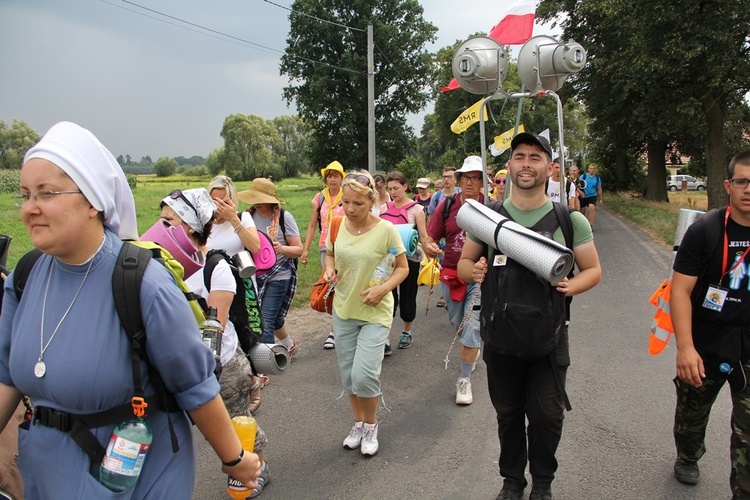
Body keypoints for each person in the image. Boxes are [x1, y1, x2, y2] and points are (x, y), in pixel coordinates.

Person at [0, 121, 260, 498]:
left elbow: (195, 387)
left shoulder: (143, 282)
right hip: (45, 477)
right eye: (25, 195)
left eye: (46, 193)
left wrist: (234, 459)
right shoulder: (23, 278)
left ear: (92, 200)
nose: (30, 209)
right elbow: (7, 375)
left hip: (134, 479)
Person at [458, 133, 601, 500]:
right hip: (501, 337)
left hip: (549, 340)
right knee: (508, 415)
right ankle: (512, 481)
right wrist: (471, 271)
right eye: (519, 156)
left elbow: (593, 270)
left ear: (550, 168)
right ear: (510, 165)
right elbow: (462, 263)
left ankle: (542, 482)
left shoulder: (569, 221)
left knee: (548, 417)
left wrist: (573, 286)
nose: (526, 163)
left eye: (535, 157)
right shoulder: (489, 217)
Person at [160, 187, 271, 498]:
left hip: (220, 363)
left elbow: (214, 329)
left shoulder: (216, 266)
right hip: (183, 362)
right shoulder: (163, 265)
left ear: (193, 225)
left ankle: (258, 465)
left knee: (237, 424)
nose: (162, 228)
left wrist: (198, 371)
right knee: (214, 430)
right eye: (162, 221)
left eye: (171, 221)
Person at [670, 150, 750, 498]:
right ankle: (688, 454)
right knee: (691, 418)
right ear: (728, 185)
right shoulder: (706, 230)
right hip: (706, 343)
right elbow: (680, 291)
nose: (749, 189)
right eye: (742, 181)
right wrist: (685, 348)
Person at [323, 170, 408, 457]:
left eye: (358, 204)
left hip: (375, 311)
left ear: (372, 200)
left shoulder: (386, 230)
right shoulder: (337, 224)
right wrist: (330, 268)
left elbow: (403, 268)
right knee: (348, 377)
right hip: (344, 309)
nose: (350, 209)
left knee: (364, 374)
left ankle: (371, 425)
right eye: (345, 202)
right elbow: (331, 253)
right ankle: (358, 423)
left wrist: (383, 289)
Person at [424, 156, 485, 406]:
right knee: (459, 324)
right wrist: (429, 248)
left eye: (476, 178)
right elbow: (430, 238)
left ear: (483, 182)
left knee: (472, 325)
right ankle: (470, 348)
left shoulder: (491, 207)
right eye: (466, 177)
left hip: (481, 278)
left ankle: (464, 378)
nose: (470, 182)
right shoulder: (446, 206)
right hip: (450, 275)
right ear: (459, 180)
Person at [206, 175, 265, 401]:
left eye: (224, 201)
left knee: (244, 334)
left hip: (240, 286)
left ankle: (252, 380)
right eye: (214, 200)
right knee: (218, 335)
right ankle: (231, 381)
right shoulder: (204, 223)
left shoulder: (243, 218)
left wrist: (234, 220)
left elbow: (255, 246)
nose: (218, 206)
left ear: (232, 201)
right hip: (213, 287)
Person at [238, 178, 303, 355]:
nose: (255, 203)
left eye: (258, 198)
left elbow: (299, 249)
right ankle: (289, 345)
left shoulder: (283, 217)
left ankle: (264, 366)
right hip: (255, 276)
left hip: (279, 275)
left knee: (264, 321)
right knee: (273, 318)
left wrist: (282, 249)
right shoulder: (247, 217)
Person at [381, 171, 430, 353]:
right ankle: (385, 337)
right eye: (390, 188)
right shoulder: (384, 208)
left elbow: (423, 236)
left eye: (396, 188)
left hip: (409, 259)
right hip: (387, 261)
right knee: (387, 297)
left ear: (405, 186)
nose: (393, 192)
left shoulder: (417, 209)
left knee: (408, 296)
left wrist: (430, 253)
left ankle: (406, 332)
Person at [301, 161, 346, 350]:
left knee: (346, 286)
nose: (332, 179)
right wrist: (305, 249)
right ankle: (334, 331)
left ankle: (345, 326)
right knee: (332, 286)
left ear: (342, 177)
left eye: (336, 175)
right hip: (325, 248)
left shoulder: (348, 196)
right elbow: (312, 224)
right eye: (329, 176)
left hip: (346, 247)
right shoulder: (319, 198)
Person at [580, 163, 603, 229]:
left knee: (592, 208)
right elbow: (578, 185)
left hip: (592, 195)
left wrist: (601, 199)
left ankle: (590, 225)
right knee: (582, 211)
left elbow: (599, 188)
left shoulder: (597, 178)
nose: (592, 170)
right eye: (591, 169)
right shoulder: (583, 176)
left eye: (593, 169)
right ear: (588, 169)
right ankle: (582, 225)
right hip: (584, 195)